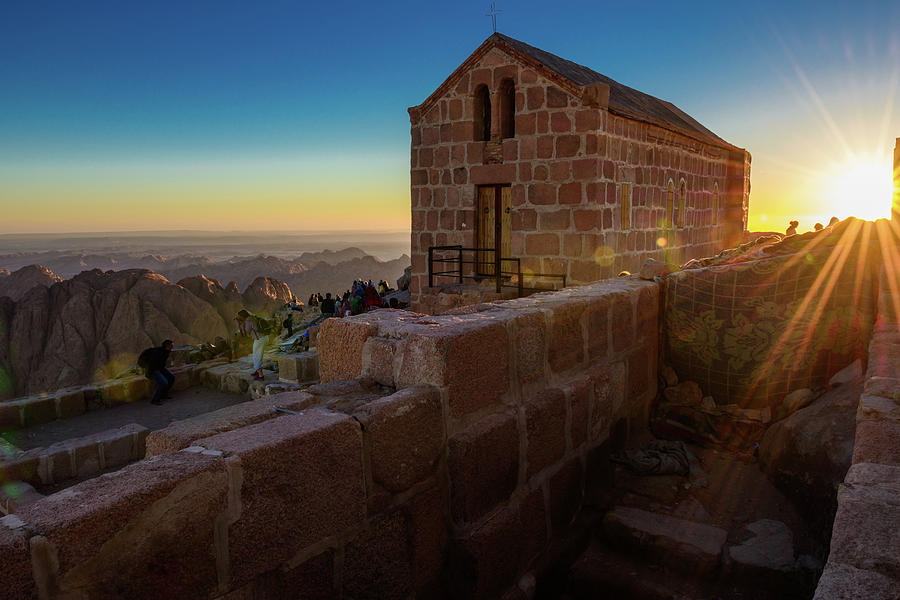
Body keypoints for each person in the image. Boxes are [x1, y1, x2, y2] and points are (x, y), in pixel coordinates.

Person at [138, 339, 175, 405]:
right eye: (171, 345)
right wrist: (156, 373)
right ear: (167, 346)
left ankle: (163, 395)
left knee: (172, 377)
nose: (173, 346)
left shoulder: (166, 352)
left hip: (159, 368)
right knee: (164, 383)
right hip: (152, 370)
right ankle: (155, 399)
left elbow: (161, 364)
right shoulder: (157, 353)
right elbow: (152, 365)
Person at [235, 309, 268, 381]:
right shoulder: (253, 317)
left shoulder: (248, 321)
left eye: (239, 317)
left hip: (259, 339)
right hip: (264, 337)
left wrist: (239, 324)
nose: (238, 318)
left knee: (256, 357)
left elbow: (246, 332)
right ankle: (257, 371)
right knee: (258, 355)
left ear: (242, 316)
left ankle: (261, 376)